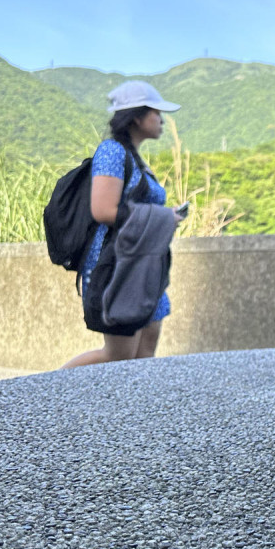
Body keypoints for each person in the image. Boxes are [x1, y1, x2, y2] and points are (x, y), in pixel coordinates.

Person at [61, 81, 186, 368]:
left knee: (143, 356)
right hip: (119, 265)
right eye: (156, 113)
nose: (162, 120)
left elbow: (132, 208)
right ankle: (49, 389)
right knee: (118, 357)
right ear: (138, 116)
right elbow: (103, 209)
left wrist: (167, 215)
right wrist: (163, 218)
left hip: (143, 265)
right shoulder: (112, 151)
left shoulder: (134, 158)